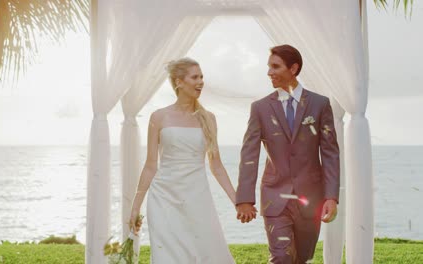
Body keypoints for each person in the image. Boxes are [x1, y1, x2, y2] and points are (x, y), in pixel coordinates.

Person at [235, 44, 340, 263]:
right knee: (281, 257)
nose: (269, 72)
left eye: (275, 66)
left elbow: (330, 153)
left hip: (310, 198)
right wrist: (244, 199)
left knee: (301, 258)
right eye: (269, 67)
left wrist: (331, 197)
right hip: (275, 196)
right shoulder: (260, 108)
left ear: (293, 69)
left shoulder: (320, 104)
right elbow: (249, 155)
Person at [129, 57, 236, 263]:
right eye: (195, 77)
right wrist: (136, 207)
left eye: (202, 77)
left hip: (197, 196)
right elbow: (151, 166)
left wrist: (237, 200)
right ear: (178, 82)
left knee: (205, 252)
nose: (201, 82)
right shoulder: (158, 117)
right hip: (163, 197)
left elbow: (217, 166)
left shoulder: (209, 118)